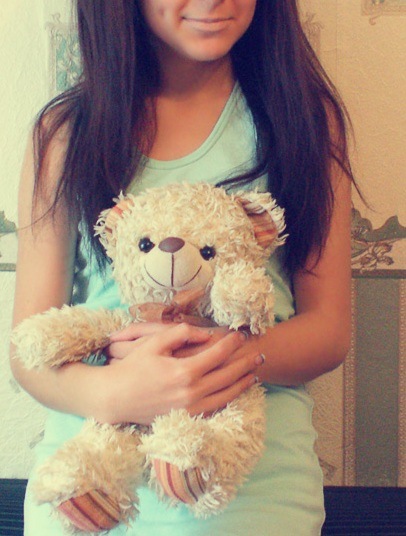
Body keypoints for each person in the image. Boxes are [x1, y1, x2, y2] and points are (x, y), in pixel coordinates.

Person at [10, 1, 355, 534]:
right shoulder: (64, 134)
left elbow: (327, 332)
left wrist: (208, 357)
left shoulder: (305, 120)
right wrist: (115, 394)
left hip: (254, 497)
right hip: (86, 490)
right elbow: (29, 348)